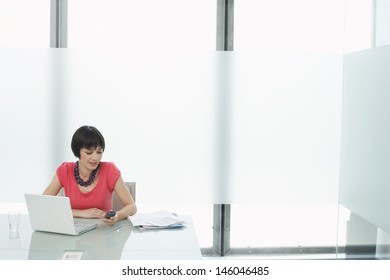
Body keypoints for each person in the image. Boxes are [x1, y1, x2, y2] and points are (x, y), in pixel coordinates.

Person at [43, 125, 137, 226]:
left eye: (99, 152)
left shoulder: (110, 170)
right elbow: (43, 204)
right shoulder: (65, 170)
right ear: (77, 151)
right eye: (89, 152)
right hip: (72, 231)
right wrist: (82, 213)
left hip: (103, 232)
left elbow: (132, 207)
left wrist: (117, 216)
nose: (95, 158)